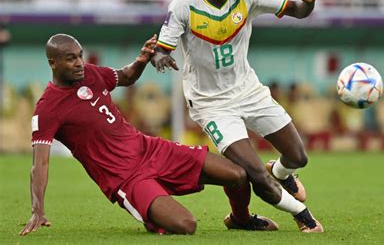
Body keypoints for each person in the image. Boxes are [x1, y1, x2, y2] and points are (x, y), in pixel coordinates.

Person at [151, 0, 323, 233]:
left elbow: (298, 10)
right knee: (252, 172)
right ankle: (303, 217)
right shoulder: (183, 5)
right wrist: (160, 56)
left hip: (248, 91)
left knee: (298, 157)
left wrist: (308, 3)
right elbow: (161, 47)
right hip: (212, 104)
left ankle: (280, 172)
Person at [19, 33, 255, 236]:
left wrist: (142, 60)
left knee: (237, 175)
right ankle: (151, 212)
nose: (80, 62)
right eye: (71, 59)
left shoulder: (90, 73)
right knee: (186, 225)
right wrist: (37, 210)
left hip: (150, 149)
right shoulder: (47, 108)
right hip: (126, 178)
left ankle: (240, 219)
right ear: (53, 63)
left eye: (80, 55)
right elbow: (40, 164)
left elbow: (126, 76)